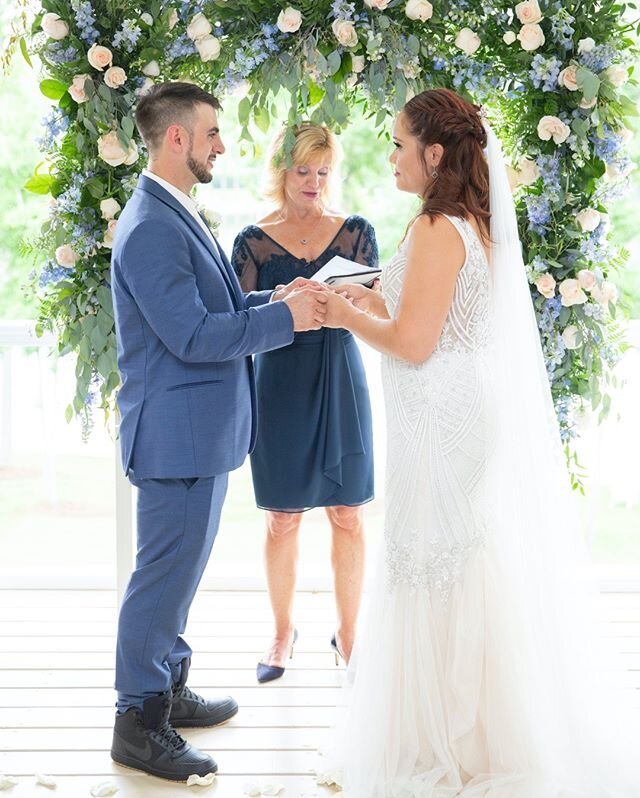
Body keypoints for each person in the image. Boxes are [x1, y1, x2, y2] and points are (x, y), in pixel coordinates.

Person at [319, 88, 640, 796]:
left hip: (440, 417)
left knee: (439, 559)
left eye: (401, 145)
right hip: (443, 408)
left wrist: (343, 316)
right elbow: (418, 315)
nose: (394, 156)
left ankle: (453, 741)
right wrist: (365, 299)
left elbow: (411, 340)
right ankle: (451, 728)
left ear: (435, 155)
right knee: (442, 556)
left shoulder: (437, 228)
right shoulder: (463, 222)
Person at [109, 82, 327, 782]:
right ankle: (138, 721)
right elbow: (192, 335)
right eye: (211, 133)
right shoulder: (148, 226)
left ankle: (166, 687)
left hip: (197, 433)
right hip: (176, 435)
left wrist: (278, 299)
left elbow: (217, 306)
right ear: (176, 137)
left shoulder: (174, 213)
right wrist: (288, 321)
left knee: (178, 576)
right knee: (160, 579)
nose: (221, 145)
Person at [231, 124, 378, 681]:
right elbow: (235, 312)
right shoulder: (252, 240)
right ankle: (280, 630)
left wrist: (350, 299)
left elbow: (376, 304)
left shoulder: (357, 232)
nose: (314, 182)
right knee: (283, 520)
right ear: (281, 171)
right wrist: (278, 298)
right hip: (280, 381)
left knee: (348, 514)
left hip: (340, 374)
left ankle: (350, 633)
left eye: (323, 171)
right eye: (303, 171)